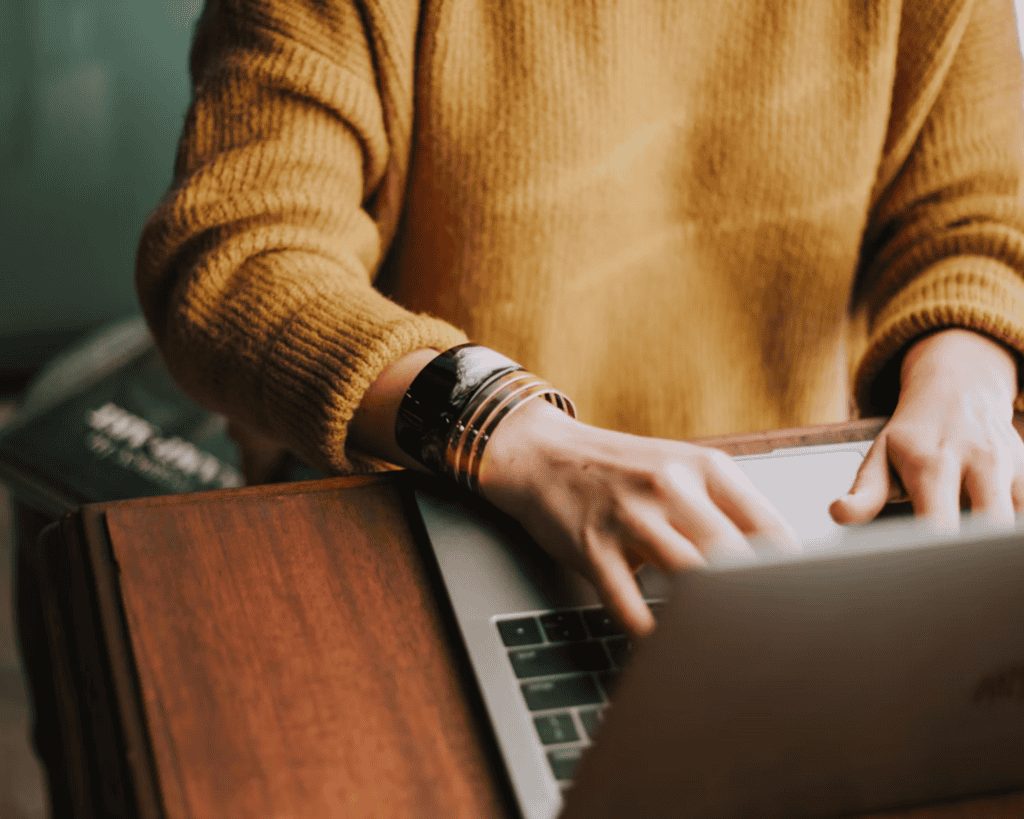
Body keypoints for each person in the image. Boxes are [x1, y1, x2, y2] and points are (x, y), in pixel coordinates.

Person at [137, 0, 1024, 637]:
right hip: (443, 509)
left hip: (789, 524)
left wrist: (967, 371)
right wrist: (516, 435)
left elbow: (981, 218)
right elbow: (238, 256)